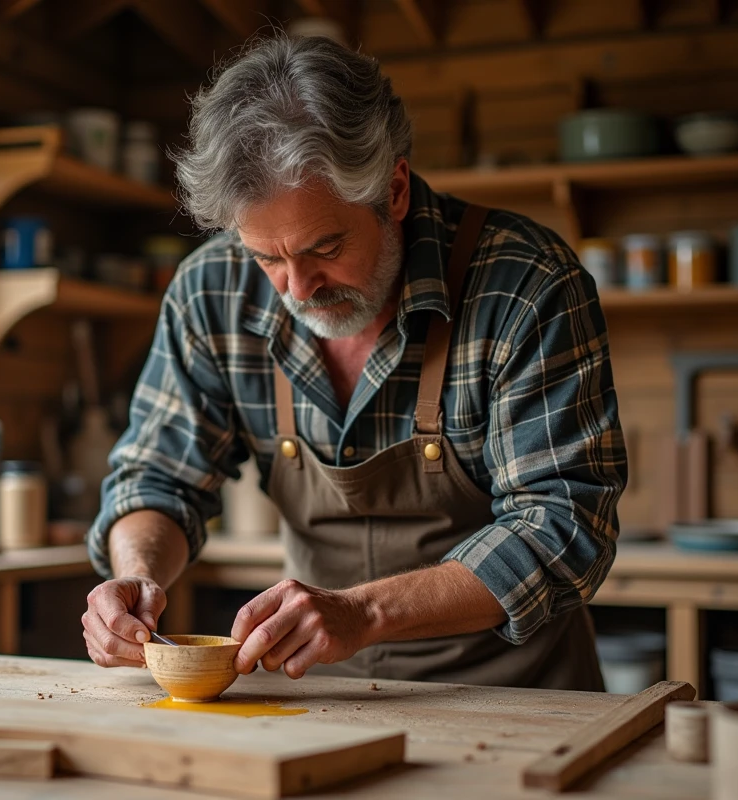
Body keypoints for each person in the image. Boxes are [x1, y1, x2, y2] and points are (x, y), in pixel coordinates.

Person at [81, 33, 627, 690]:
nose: (297, 288)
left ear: (394, 190)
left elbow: (564, 524)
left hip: (516, 694)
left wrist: (364, 612)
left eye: (325, 247)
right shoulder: (211, 290)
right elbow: (158, 478)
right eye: (267, 257)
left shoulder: (526, 283)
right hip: (322, 693)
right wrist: (137, 574)